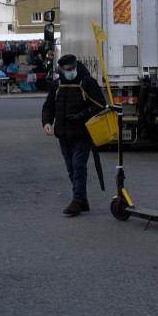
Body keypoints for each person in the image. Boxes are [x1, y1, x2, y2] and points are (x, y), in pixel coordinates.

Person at [41, 54, 106, 217]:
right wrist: (47, 122)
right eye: (68, 69)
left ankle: (76, 201)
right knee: (71, 169)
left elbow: (100, 105)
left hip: (82, 134)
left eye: (74, 68)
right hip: (63, 135)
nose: (72, 71)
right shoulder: (57, 84)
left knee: (78, 167)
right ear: (61, 70)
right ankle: (82, 200)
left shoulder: (87, 82)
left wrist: (81, 115)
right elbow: (48, 106)